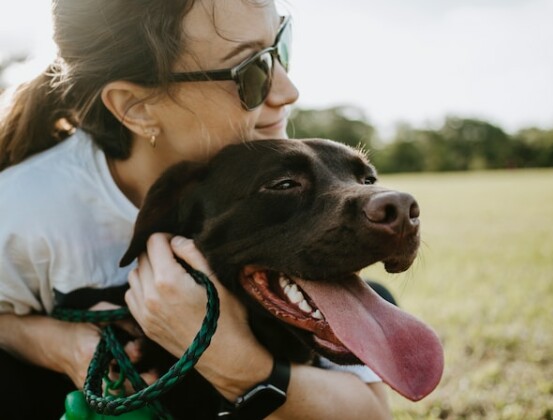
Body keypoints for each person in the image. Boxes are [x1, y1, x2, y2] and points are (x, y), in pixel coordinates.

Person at [0, 0, 393, 419]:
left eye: (281, 46)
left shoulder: (286, 171)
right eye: (251, 71)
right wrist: (62, 346)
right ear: (137, 107)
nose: (288, 90)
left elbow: (370, 413)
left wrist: (229, 357)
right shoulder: (22, 210)